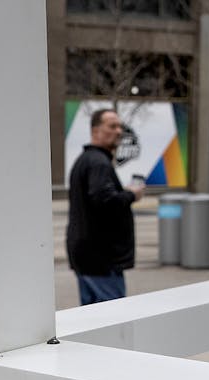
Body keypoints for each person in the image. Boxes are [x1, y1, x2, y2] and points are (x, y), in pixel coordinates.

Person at [66, 108, 144, 305]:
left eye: (120, 126)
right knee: (113, 320)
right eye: (112, 126)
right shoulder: (98, 163)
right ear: (95, 130)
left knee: (91, 321)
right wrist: (131, 194)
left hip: (87, 256)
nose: (118, 131)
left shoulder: (86, 160)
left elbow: (98, 197)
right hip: (101, 259)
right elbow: (104, 201)